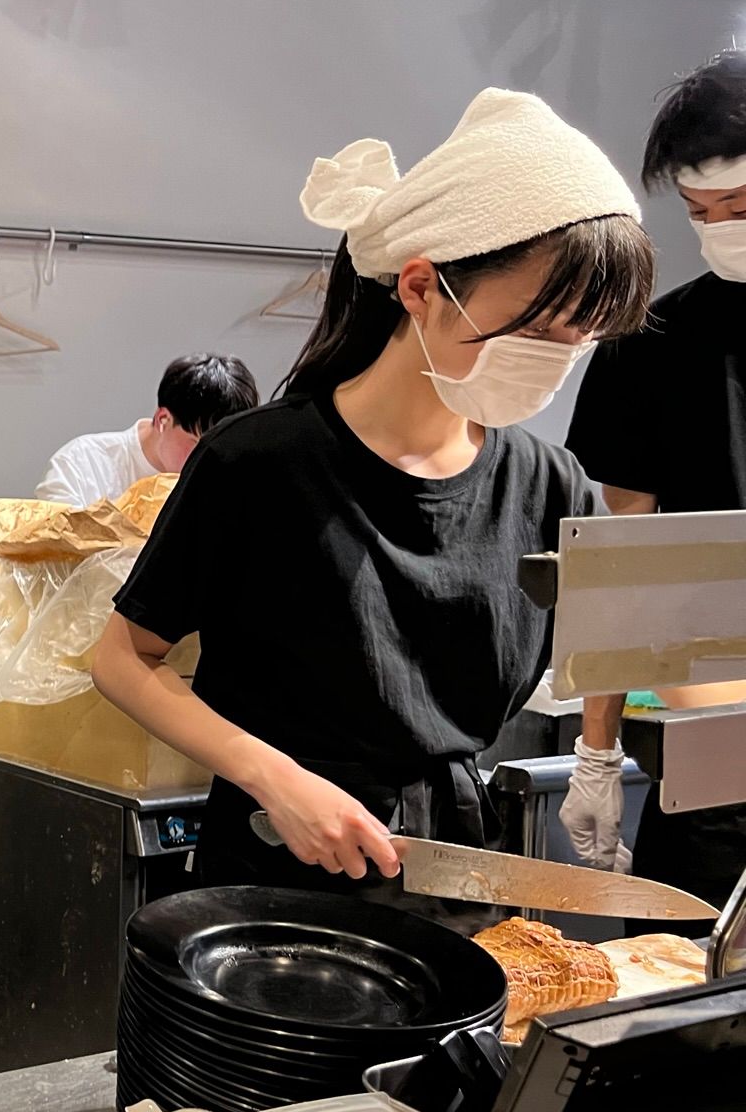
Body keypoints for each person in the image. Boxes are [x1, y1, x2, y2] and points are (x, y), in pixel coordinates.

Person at [90, 89, 653, 895]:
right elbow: (122, 658)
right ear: (420, 287)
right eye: (535, 332)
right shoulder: (259, 462)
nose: (554, 363)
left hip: (452, 874)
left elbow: (613, 645)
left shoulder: (548, 484)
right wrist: (276, 780)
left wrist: (599, 759)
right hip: (273, 878)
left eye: (580, 341)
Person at [562, 49, 746, 907]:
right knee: (684, 1003)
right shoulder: (655, 345)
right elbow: (623, 558)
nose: (720, 228)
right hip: (713, 756)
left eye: (740, 204)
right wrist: (597, 747)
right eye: (702, 211)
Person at [35, 355, 257, 507]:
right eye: (197, 444)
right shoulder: (82, 463)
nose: (206, 461)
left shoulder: (231, 476)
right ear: (163, 419)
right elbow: (54, 555)